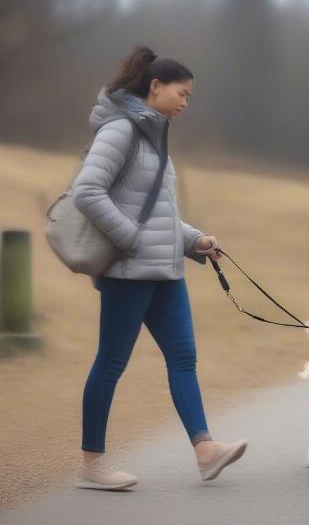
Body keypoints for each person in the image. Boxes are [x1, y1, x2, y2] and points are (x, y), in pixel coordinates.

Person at [71, 44, 247, 490]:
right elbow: (87, 192)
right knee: (111, 363)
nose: (186, 102)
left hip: (165, 273)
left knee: (183, 358)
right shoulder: (120, 131)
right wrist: (130, 240)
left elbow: (159, 212)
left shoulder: (154, 139)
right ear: (155, 87)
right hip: (128, 274)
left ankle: (206, 450)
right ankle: (92, 464)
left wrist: (194, 240)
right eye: (182, 93)